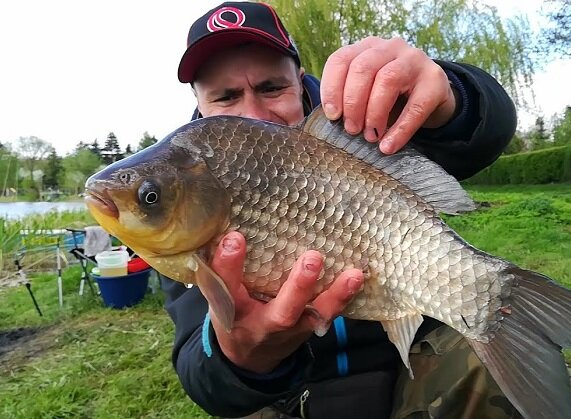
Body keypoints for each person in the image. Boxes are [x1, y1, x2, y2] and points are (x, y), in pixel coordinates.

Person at [162, 2, 520, 418]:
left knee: (484, 369)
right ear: (198, 102)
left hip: (412, 361)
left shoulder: (357, 122)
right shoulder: (180, 189)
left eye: (271, 88)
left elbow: (486, 133)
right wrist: (240, 357)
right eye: (225, 96)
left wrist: (448, 94)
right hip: (293, 392)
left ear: (298, 81)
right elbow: (200, 375)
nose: (255, 114)